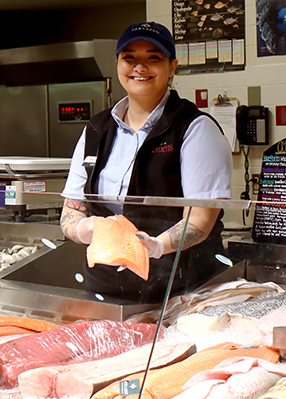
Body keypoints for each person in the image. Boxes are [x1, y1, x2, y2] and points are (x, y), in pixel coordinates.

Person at [60, 21, 233, 303]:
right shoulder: (95, 130)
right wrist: (84, 229)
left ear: (172, 66)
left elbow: (200, 220)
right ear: (117, 63)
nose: (139, 67)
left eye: (153, 58)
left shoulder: (195, 128)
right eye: (130, 57)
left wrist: (156, 246)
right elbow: (70, 210)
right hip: (105, 288)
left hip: (179, 290)